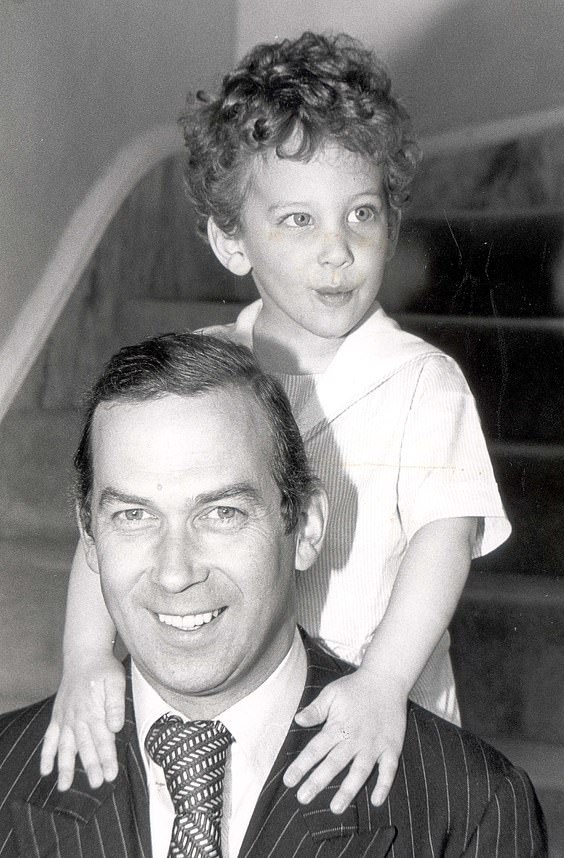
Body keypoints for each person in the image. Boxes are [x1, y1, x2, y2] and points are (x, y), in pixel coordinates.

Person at [41, 32, 511, 814]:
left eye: (361, 214)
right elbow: (111, 528)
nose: (339, 251)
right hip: (230, 702)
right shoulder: (194, 374)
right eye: (299, 221)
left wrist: (384, 683)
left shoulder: (423, 383)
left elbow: (444, 540)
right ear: (231, 239)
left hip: (369, 709)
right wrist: (87, 657)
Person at [1, 333, 546, 858]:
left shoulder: (472, 809)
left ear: (306, 527)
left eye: (222, 514)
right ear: (90, 536)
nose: (174, 573)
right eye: (133, 516)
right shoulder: (8, 773)